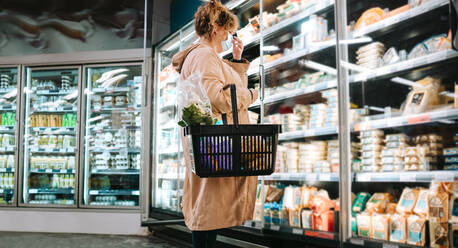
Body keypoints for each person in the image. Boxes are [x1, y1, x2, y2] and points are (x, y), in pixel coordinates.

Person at [172, 0, 259, 247]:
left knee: (208, 213)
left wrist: (237, 60)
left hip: (212, 144)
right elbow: (219, 99)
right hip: (214, 145)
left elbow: (225, 87)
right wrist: (252, 95)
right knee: (206, 213)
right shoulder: (204, 56)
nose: (229, 34)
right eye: (227, 28)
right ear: (215, 27)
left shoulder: (208, 56)